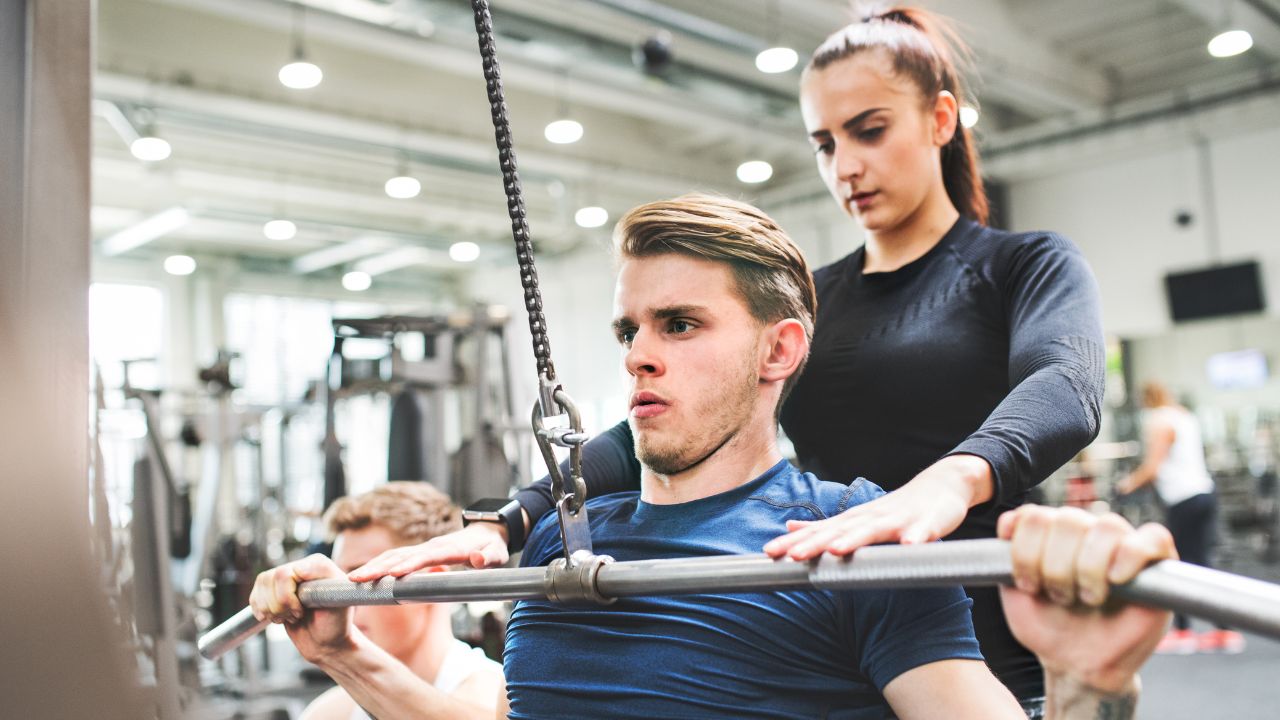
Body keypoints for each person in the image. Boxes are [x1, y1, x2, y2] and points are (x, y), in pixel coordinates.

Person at [351, 6, 1105, 710]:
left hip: (973, 624)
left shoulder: (1019, 265)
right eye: (824, 143)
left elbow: (1065, 384)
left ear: (941, 120)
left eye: (869, 130)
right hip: (808, 602)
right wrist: (510, 520)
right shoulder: (817, 298)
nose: (845, 164)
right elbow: (642, 430)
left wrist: (948, 484)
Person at [257, 195, 1174, 719]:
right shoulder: (564, 543)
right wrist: (344, 656)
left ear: (779, 351)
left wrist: (1088, 684)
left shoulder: (849, 542)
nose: (639, 353)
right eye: (630, 329)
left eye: (681, 325)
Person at [262, 482, 503, 720]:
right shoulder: (333, 711)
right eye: (339, 584)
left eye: (362, 580)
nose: (343, 604)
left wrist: (339, 651)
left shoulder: (495, 695)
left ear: (433, 585)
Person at [1117, 381, 1244, 655]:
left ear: (1146, 399)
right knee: (1197, 563)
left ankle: (1188, 631)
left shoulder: (1160, 420)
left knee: (1180, 565)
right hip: (1202, 494)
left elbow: (1152, 467)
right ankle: (1219, 629)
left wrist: (1126, 485)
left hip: (1184, 499)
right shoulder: (1183, 415)